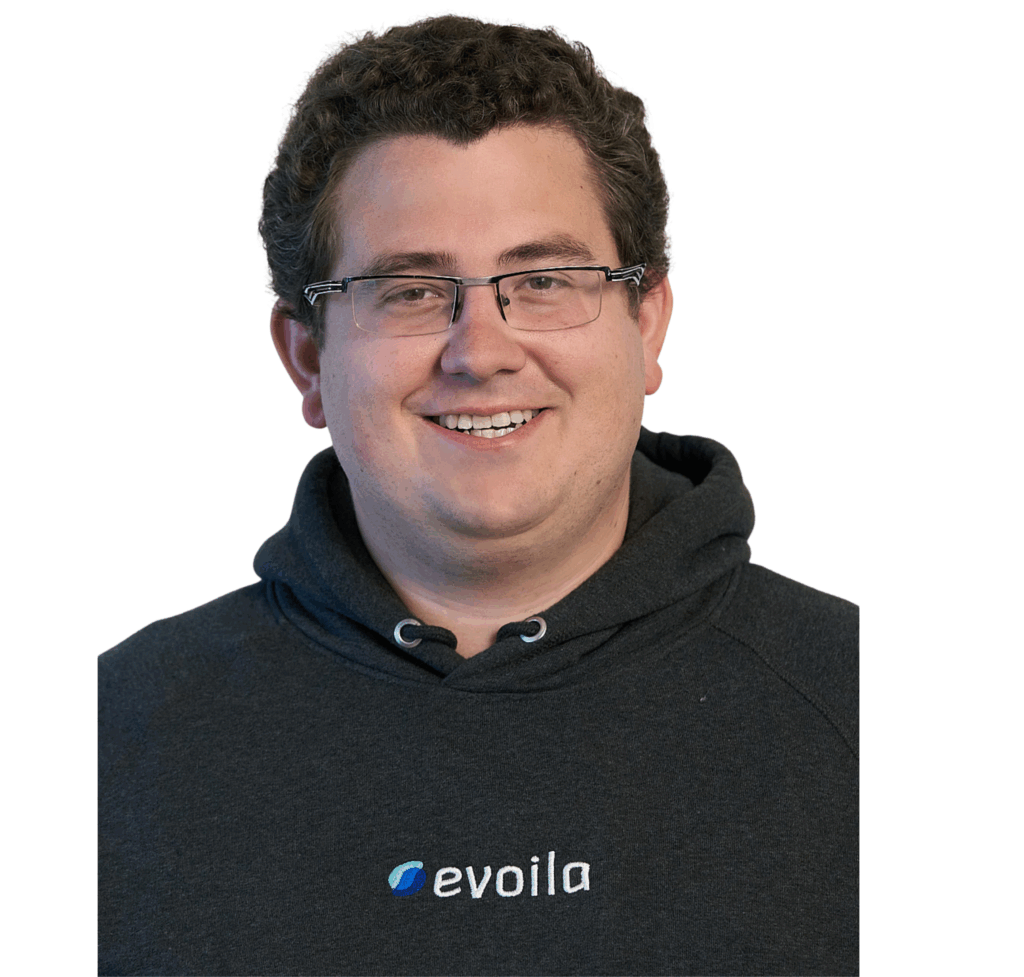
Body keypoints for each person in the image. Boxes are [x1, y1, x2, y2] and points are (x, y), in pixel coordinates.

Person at [99, 15, 858, 976]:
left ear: (646, 324)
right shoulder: (108, 740)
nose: (482, 351)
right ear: (308, 359)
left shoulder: (880, 710)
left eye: (543, 280)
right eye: (411, 291)